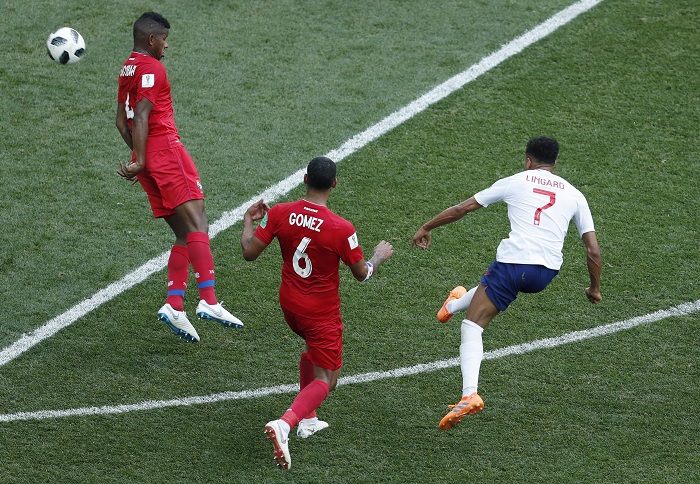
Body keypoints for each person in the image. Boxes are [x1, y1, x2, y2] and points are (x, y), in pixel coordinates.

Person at [411, 137, 602, 430]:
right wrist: (594, 288)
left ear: (527, 161)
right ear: (555, 164)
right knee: (492, 288)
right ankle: (452, 303)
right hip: (545, 274)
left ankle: (468, 394)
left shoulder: (516, 181)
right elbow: (593, 250)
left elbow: (463, 208)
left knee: (472, 326)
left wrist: (427, 226)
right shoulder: (575, 195)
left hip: (514, 265)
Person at [240, 156, 394, 470]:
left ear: (305, 179)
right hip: (320, 315)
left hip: (290, 308)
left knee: (311, 351)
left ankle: (308, 419)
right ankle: (286, 424)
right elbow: (361, 274)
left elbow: (249, 252)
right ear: (334, 184)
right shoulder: (341, 228)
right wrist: (378, 257)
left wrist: (248, 220)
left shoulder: (281, 212)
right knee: (329, 378)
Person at [115, 12, 243, 342]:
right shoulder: (153, 68)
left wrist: (138, 159)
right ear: (150, 39)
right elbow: (141, 115)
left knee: (185, 234)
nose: (166, 46)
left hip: (146, 157)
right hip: (164, 152)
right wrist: (144, 158)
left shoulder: (127, 67)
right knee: (199, 222)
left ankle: (174, 305)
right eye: (164, 40)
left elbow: (121, 121)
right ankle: (209, 300)